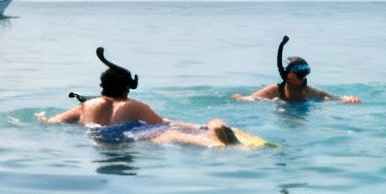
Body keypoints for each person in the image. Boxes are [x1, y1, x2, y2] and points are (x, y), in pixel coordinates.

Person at [43, 48, 244, 148]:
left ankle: (210, 138)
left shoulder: (86, 106)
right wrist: (197, 127)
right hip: (126, 136)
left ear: (103, 86)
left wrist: (43, 118)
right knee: (165, 134)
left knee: (157, 132)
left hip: (97, 139)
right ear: (126, 89)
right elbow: (164, 124)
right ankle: (210, 140)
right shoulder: (133, 106)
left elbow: (54, 122)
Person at [238, 36, 361, 103]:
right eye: (298, 69)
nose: (303, 73)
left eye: (305, 69)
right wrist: (241, 98)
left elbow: (335, 97)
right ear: (288, 74)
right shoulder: (275, 90)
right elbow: (249, 98)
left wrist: (348, 99)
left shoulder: (309, 92)